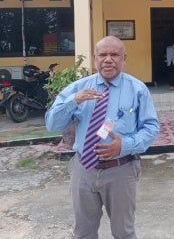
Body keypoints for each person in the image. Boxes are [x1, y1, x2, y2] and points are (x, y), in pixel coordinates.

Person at [45, 36, 160, 239]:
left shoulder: (137, 89)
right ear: (94, 58)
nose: (108, 60)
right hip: (84, 170)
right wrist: (74, 101)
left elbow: (151, 128)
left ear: (124, 58)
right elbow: (52, 124)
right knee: (83, 233)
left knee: (124, 232)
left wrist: (124, 145)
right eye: (102, 55)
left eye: (114, 55)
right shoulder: (78, 89)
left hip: (121, 170)